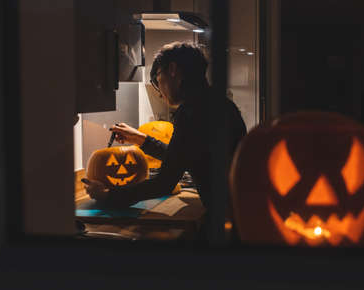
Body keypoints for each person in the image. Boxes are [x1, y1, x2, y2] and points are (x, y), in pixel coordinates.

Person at [83, 41, 247, 240]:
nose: (159, 91)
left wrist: (108, 196)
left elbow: (164, 183)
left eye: (157, 79)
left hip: (228, 219)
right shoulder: (217, 103)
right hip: (239, 211)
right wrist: (142, 140)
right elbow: (185, 155)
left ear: (172, 70)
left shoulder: (191, 112)